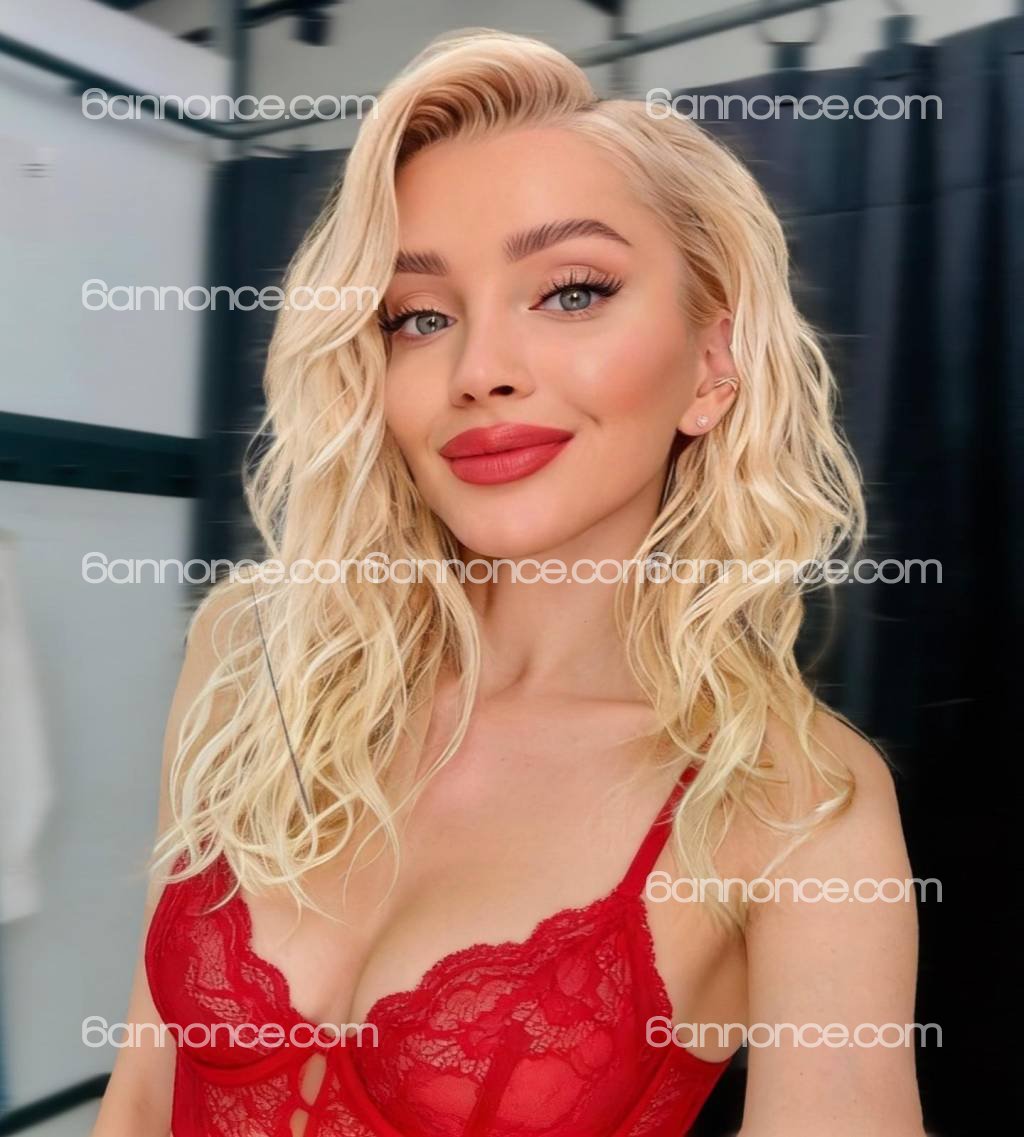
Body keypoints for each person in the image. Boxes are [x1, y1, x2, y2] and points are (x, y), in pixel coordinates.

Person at [93, 28, 926, 1137]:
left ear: (711, 365)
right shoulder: (255, 652)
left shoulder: (794, 801)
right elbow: (142, 1089)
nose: (479, 369)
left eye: (571, 292)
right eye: (420, 316)